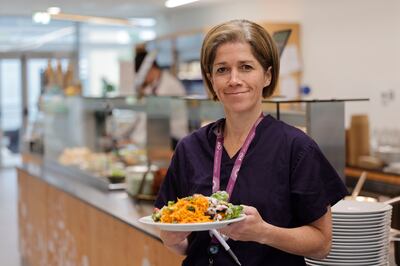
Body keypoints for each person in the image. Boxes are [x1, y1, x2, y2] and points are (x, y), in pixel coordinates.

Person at [155, 19, 348, 266]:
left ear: (267, 75)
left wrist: (264, 232)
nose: (234, 79)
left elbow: (322, 245)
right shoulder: (190, 148)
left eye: (246, 67)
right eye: (222, 69)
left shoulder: (297, 148)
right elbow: (182, 244)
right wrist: (171, 238)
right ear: (211, 79)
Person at [134, 50, 188, 149]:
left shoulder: (170, 85)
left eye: (143, 75)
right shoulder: (152, 86)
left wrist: (138, 139)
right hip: (160, 137)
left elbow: (156, 119)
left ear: (150, 68)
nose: (144, 80)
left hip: (174, 138)